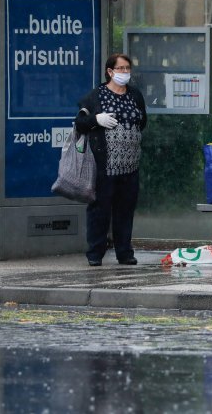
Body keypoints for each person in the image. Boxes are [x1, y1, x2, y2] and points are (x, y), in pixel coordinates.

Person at [75, 53, 147, 266]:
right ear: (110, 71)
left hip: (130, 164)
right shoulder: (96, 96)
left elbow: (143, 120)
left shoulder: (135, 95)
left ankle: (124, 252)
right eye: (121, 68)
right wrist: (96, 120)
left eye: (127, 68)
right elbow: (80, 123)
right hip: (104, 163)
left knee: (125, 209)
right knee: (100, 208)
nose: (125, 73)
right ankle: (95, 253)